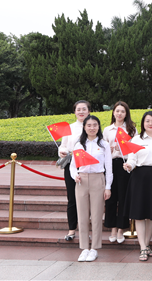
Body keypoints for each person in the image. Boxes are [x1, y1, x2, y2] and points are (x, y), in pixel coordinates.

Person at [70, 115, 113, 262]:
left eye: (95, 125)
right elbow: (72, 166)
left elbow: (109, 168)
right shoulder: (79, 144)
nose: (92, 128)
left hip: (98, 179)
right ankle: (84, 248)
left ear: (98, 127)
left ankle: (94, 248)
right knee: (82, 216)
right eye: (89, 125)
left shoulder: (104, 144)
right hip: (81, 181)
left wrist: (108, 187)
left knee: (96, 216)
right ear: (84, 127)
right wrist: (75, 175)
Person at [123, 111, 152, 261]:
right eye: (147, 121)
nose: (150, 123)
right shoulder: (136, 139)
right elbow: (132, 159)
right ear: (143, 123)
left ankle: (146, 245)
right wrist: (129, 165)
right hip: (140, 177)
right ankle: (142, 247)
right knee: (139, 214)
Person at [103, 101, 136, 244]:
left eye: (122, 111)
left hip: (125, 165)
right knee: (111, 198)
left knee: (123, 197)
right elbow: (101, 148)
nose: (120, 114)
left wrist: (124, 148)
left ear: (126, 113)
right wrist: (109, 149)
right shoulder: (107, 130)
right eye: (117, 111)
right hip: (110, 164)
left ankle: (121, 229)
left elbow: (135, 149)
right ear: (113, 112)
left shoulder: (131, 130)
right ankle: (112, 229)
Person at [58, 100, 91, 241]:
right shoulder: (69, 128)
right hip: (71, 164)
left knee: (86, 199)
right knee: (72, 198)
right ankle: (71, 229)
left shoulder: (92, 126)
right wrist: (62, 151)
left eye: (84, 109)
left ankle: (85, 230)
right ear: (75, 112)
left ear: (89, 111)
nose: (81, 112)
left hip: (88, 165)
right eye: (78, 109)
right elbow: (63, 145)